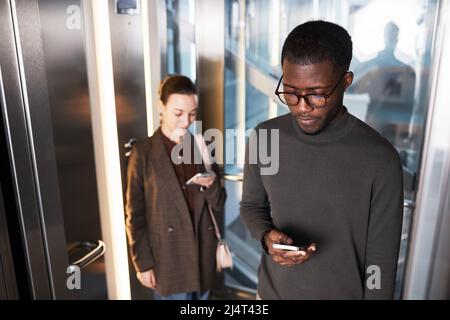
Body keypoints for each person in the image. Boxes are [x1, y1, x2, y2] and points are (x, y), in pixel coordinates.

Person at [240, 21, 403, 299]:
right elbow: (251, 206)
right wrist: (267, 238)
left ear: (346, 82)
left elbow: (380, 263)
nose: (302, 107)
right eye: (291, 92)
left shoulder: (380, 159)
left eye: (316, 94)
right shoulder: (264, 137)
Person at [125, 74, 226, 300]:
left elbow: (218, 203)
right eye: (178, 113)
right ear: (161, 107)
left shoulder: (202, 146)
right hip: (168, 261)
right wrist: (142, 264)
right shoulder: (143, 153)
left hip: (203, 257)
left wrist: (211, 183)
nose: (186, 121)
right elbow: (135, 216)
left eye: (192, 113)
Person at [350, 21, 416, 149]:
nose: (391, 39)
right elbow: (352, 87)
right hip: (375, 121)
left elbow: (409, 105)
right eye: (389, 34)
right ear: (384, 36)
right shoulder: (372, 66)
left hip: (391, 123)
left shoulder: (406, 70)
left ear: (397, 38)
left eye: (393, 35)